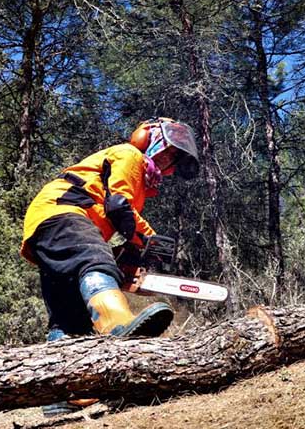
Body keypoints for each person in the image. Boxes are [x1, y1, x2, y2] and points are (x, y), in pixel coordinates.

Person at [20, 118, 199, 416]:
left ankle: (64, 391)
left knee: (67, 317)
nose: (167, 163)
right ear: (147, 138)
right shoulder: (131, 156)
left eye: (172, 160)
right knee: (95, 259)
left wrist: (128, 254)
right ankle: (116, 323)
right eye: (167, 152)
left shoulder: (139, 180)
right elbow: (118, 205)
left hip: (46, 228)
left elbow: (116, 216)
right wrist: (147, 239)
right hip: (63, 212)